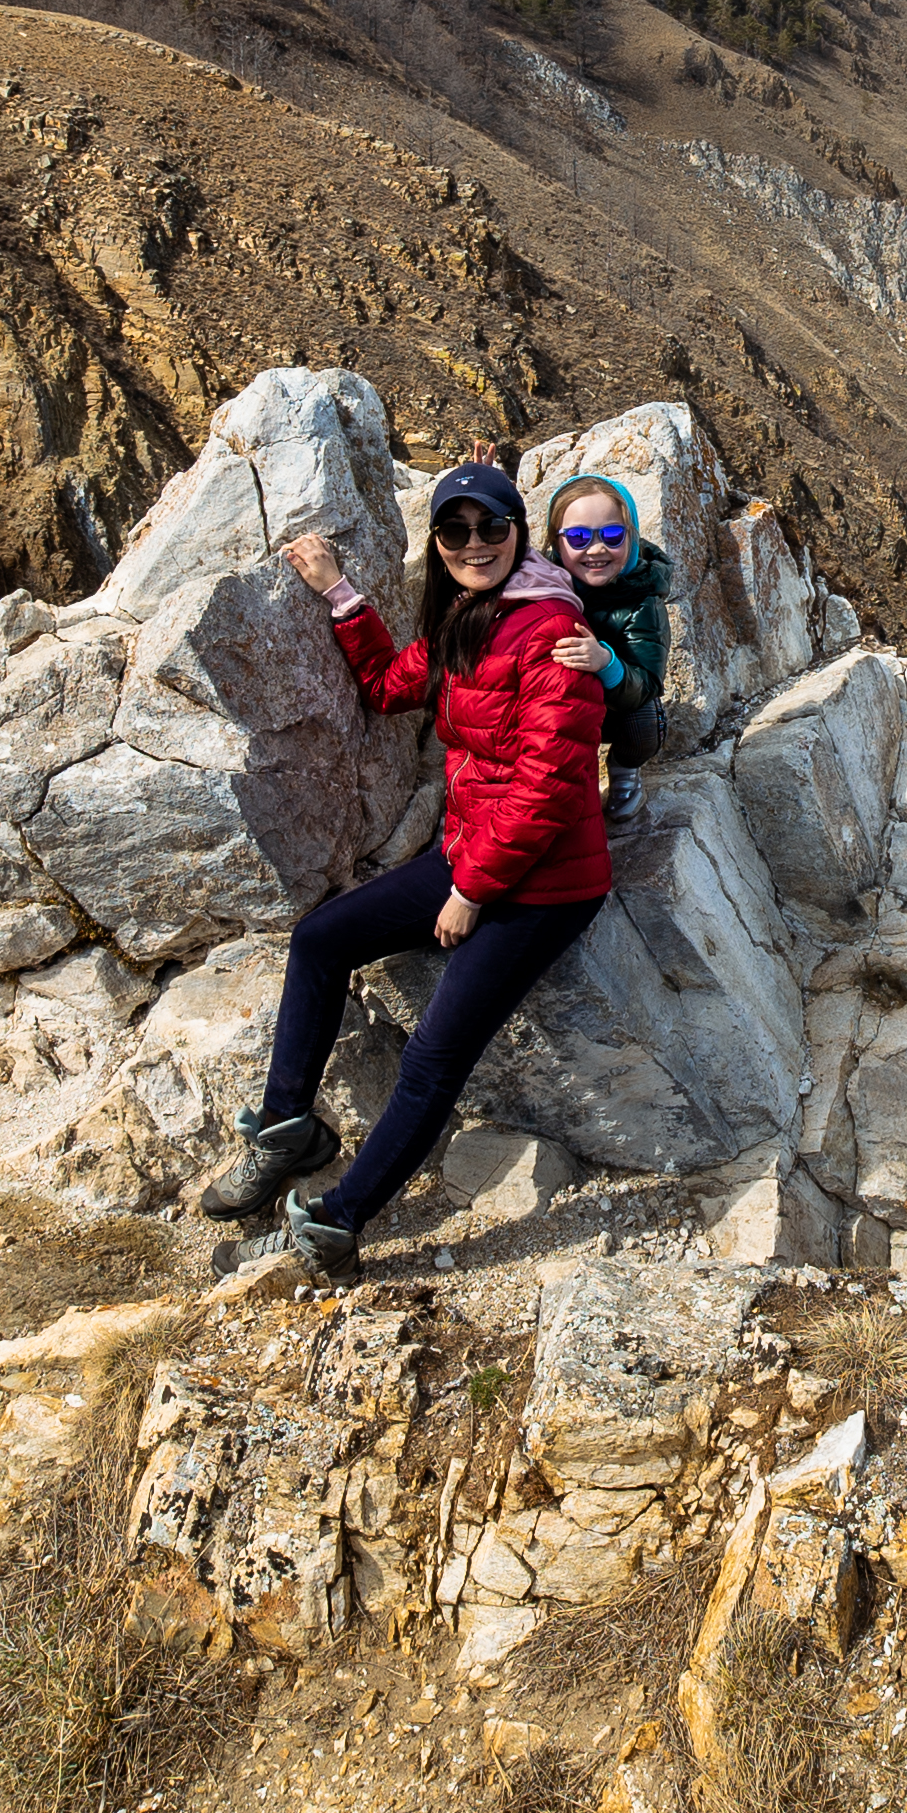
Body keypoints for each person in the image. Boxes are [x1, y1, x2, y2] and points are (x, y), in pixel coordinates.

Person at [197, 460, 610, 1274]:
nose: (474, 543)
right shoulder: (468, 616)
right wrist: (339, 594)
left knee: (432, 1057)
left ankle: (338, 1223)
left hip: (547, 884)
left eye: (492, 527)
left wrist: (469, 891)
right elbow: (391, 687)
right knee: (319, 941)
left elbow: (552, 787)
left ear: (518, 532)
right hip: (474, 852)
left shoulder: (553, 632)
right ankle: (289, 1130)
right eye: (455, 531)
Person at [540, 472, 676, 824]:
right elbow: (503, 557)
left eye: (613, 536)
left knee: (646, 721)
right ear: (557, 542)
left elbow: (646, 683)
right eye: (579, 537)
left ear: (631, 538)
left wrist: (605, 662)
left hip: (614, 709)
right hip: (557, 707)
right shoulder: (543, 576)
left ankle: (624, 769)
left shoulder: (642, 603)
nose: (597, 549)